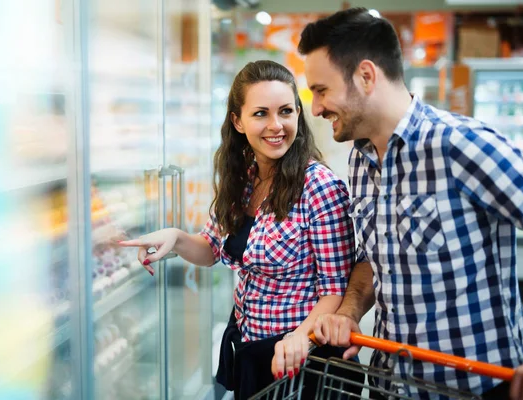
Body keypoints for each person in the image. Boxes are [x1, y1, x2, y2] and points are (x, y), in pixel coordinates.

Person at [274, 7, 523, 399]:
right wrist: (349, 312)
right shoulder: (359, 159)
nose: (317, 107)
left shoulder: (460, 146)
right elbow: (373, 259)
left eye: (321, 90)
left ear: (366, 76)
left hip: (474, 387)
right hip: (390, 383)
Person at [120, 60, 363, 399]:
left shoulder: (319, 186)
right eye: (261, 113)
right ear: (238, 121)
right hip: (248, 344)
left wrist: (301, 337)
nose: (276, 125)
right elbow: (211, 249)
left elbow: (333, 289)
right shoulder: (244, 178)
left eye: (286, 111)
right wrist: (175, 237)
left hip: (298, 357)